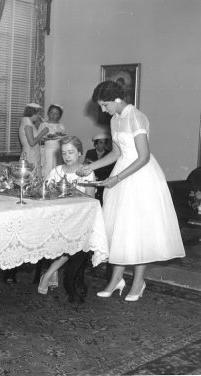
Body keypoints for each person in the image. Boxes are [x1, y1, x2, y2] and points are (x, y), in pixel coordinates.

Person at [77, 81, 185, 301]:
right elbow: (116, 153)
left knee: (138, 229)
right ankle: (117, 279)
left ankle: (138, 282)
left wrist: (116, 178)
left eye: (104, 105)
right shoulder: (115, 119)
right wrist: (92, 166)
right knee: (119, 228)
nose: (103, 110)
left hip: (140, 176)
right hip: (121, 174)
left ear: (117, 100)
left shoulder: (136, 116)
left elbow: (143, 156)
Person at [38, 136, 95, 294]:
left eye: (71, 152)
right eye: (64, 153)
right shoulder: (56, 171)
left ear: (79, 153)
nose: (67, 156)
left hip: (79, 220)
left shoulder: (87, 173)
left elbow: (91, 201)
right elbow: (45, 193)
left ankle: (48, 273)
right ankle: (52, 271)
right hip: (58, 218)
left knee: (72, 238)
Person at [19, 103, 48, 177]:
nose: (38, 116)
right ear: (33, 113)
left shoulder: (27, 123)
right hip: (30, 155)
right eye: (38, 114)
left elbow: (33, 139)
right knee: (32, 178)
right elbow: (31, 143)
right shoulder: (28, 125)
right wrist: (42, 133)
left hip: (32, 153)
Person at [84, 133, 115, 203]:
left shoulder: (109, 154)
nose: (103, 145)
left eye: (104, 143)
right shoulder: (90, 152)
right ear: (96, 144)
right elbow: (86, 165)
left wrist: (94, 164)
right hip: (93, 179)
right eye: (101, 142)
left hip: (104, 180)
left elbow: (110, 169)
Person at [41, 104, 66, 178]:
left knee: (57, 168)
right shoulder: (44, 124)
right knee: (48, 167)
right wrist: (46, 138)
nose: (53, 115)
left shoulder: (61, 126)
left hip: (58, 150)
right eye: (51, 113)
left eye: (56, 113)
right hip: (48, 149)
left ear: (59, 115)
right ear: (48, 113)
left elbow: (63, 137)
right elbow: (39, 139)